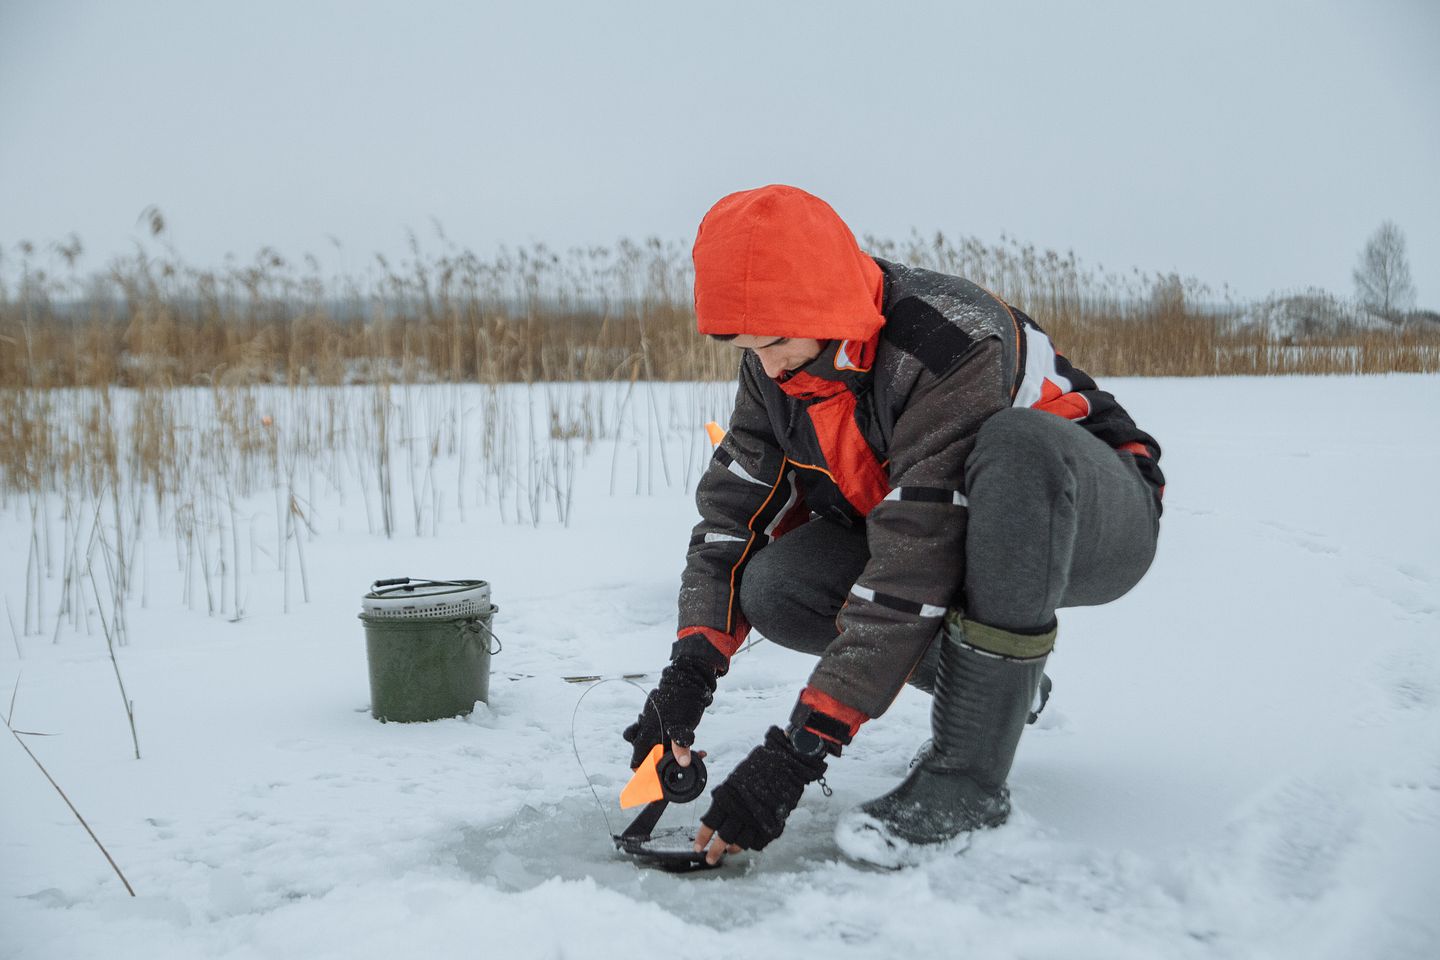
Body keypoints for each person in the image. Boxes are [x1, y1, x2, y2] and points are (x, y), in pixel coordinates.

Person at [622, 184, 1164, 867]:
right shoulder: (777, 367)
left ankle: (966, 783)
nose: (766, 365)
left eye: (776, 343)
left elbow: (917, 553)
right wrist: (687, 679)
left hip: (1086, 516)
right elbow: (734, 513)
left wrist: (798, 753)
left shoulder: (945, 343)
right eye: (745, 348)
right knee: (777, 584)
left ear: (821, 306)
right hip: (932, 526)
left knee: (1016, 448)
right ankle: (998, 692)